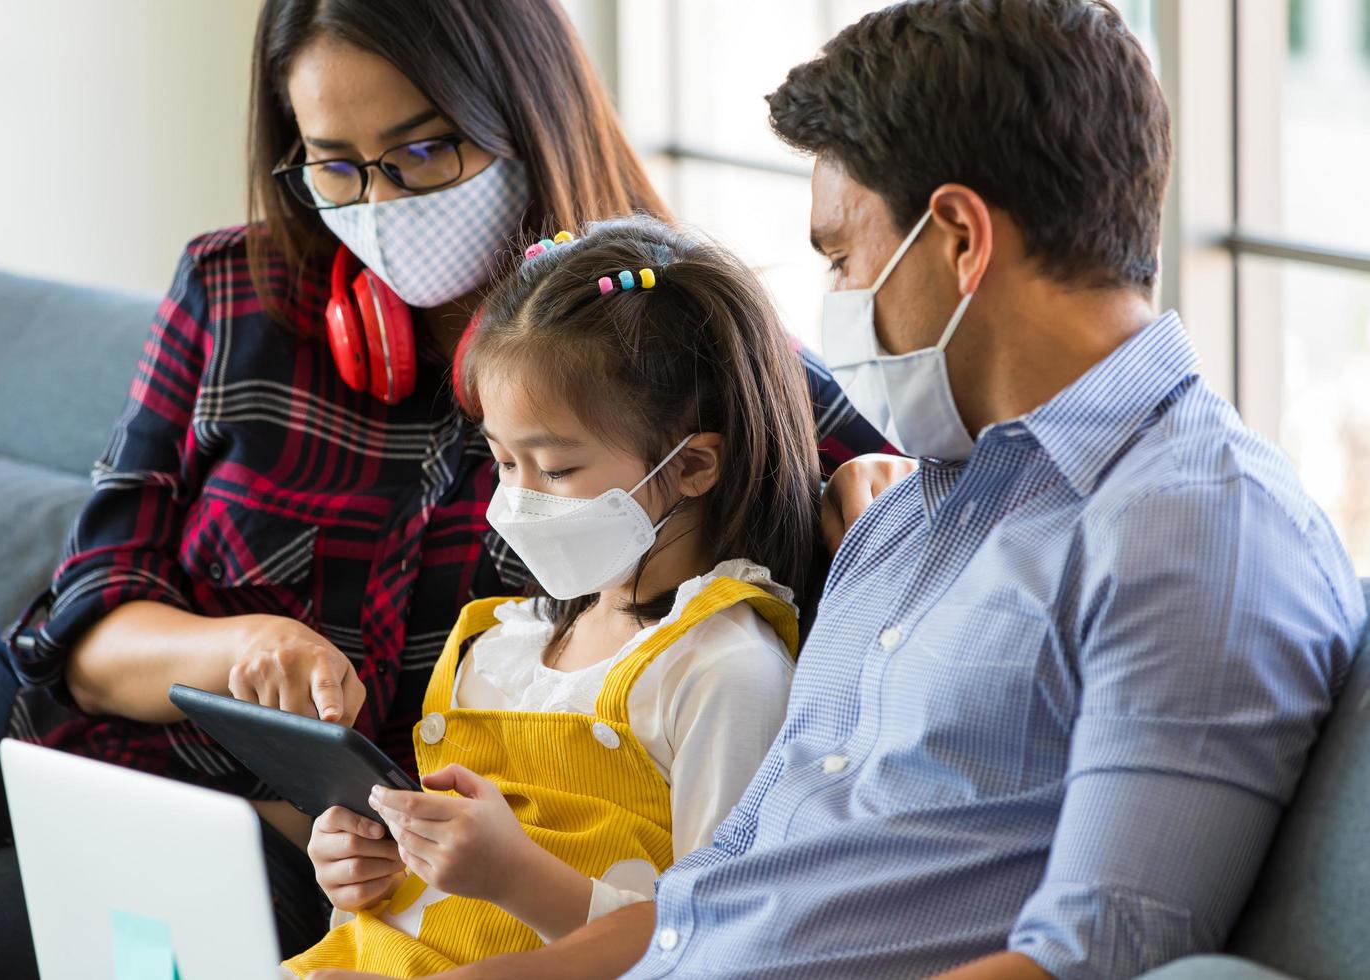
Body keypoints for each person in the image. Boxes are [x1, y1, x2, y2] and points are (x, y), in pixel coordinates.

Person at [397, 2, 1365, 978]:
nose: (836, 293)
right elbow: (710, 897)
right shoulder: (903, 520)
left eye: (841, 255)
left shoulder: (1192, 523)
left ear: (957, 237)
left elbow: (1092, 955)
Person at [0, 2, 894, 975]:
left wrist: (885, 481)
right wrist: (237, 645)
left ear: (523, 117)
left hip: (354, 868)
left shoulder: (658, 345)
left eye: (420, 152)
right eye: (333, 163)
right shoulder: (232, 288)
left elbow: (902, 484)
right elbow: (75, 625)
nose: (379, 201)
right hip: (109, 773)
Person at [283, 216, 818, 976]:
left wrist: (513, 877)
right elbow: (419, 906)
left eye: (555, 469)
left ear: (693, 465)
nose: (516, 500)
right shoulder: (492, 645)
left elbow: (715, 941)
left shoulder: (725, 669)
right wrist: (357, 873)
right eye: (502, 461)